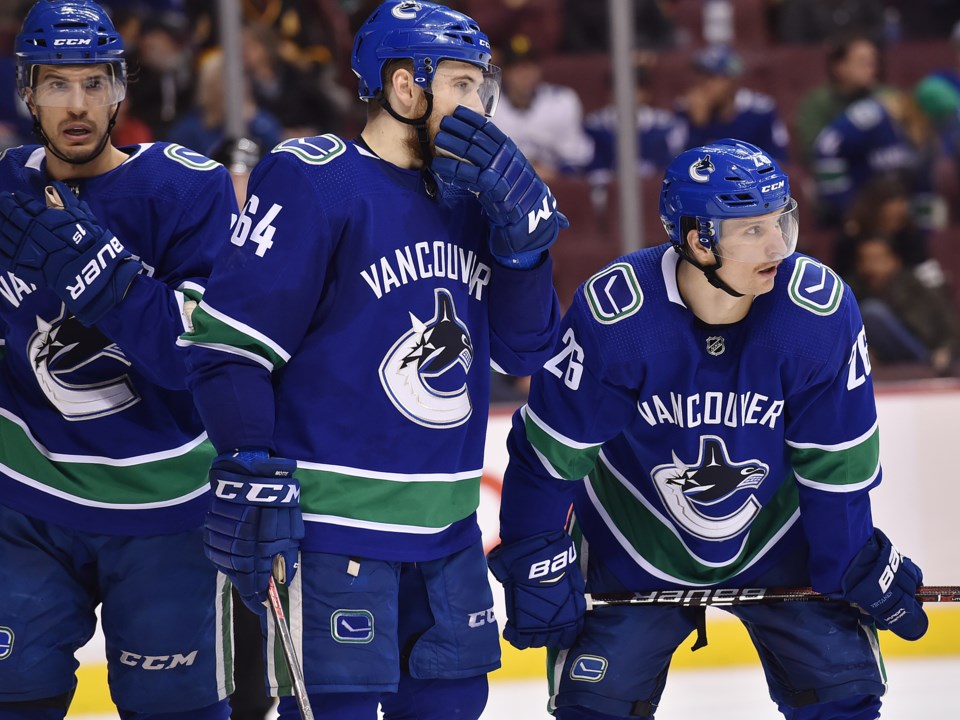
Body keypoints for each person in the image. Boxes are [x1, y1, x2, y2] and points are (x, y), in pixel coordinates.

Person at [179, 2, 565, 719]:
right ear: (404, 88)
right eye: (460, 84)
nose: (481, 106)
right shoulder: (315, 179)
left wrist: (527, 251)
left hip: (450, 538)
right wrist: (248, 463)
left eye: (484, 87)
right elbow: (230, 347)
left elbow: (525, 351)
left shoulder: (478, 203)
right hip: (331, 537)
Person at [487, 139, 929, 719]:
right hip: (634, 539)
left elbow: (835, 467)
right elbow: (548, 457)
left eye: (781, 221)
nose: (778, 246)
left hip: (777, 535)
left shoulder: (818, 314)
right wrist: (537, 553)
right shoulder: (617, 316)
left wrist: (849, 558)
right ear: (699, 240)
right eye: (752, 230)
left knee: (843, 694)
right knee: (595, 707)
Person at [0, 2, 239, 720]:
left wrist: (106, 272)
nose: (77, 105)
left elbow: (192, 359)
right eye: (57, 85)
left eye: (95, 84)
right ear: (26, 92)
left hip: (166, 509)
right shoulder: (3, 190)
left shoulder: (187, 189)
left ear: (121, 90)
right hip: (27, 502)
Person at [676, 45, 790, 163]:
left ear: (733, 80)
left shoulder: (759, 111)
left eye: (712, 77)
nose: (704, 85)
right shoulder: (685, 110)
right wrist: (698, 126)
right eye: (701, 77)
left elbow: (778, 160)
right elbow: (679, 166)